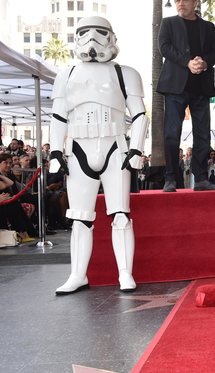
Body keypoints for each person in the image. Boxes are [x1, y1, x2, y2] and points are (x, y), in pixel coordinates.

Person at [49, 15, 150, 294]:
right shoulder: (66, 75)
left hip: (114, 147)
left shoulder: (125, 73)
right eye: (85, 32)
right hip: (79, 148)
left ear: (111, 37)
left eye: (99, 33)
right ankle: (77, 274)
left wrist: (136, 150)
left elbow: (140, 115)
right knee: (80, 217)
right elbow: (58, 116)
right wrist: (55, 151)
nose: (92, 38)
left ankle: (125, 273)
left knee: (120, 214)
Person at [156, 0, 215, 192]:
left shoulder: (208, 27)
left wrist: (204, 63)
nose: (180, 4)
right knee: (171, 134)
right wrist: (188, 62)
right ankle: (170, 179)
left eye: (185, 0)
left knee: (202, 134)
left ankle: (201, 178)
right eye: (177, 1)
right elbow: (164, 47)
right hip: (176, 87)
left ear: (195, 2)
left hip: (201, 88)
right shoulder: (168, 23)